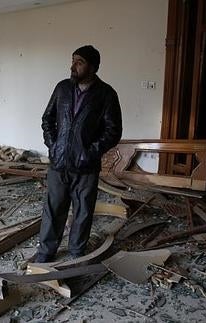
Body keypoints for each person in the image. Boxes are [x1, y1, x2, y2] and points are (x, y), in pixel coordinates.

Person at [37, 45, 122, 262]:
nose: (73, 66)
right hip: (59, 162)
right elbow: (48, 119)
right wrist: (52, 145)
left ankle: (76, 253)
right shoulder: (62, 88)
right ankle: (46, 252)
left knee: (83, 211)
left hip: (86, 167)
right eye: (73, 60)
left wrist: (90, 152)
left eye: (79, 62)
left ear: (93, 67)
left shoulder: (106, 94)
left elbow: (113, 131)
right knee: (53, 209)